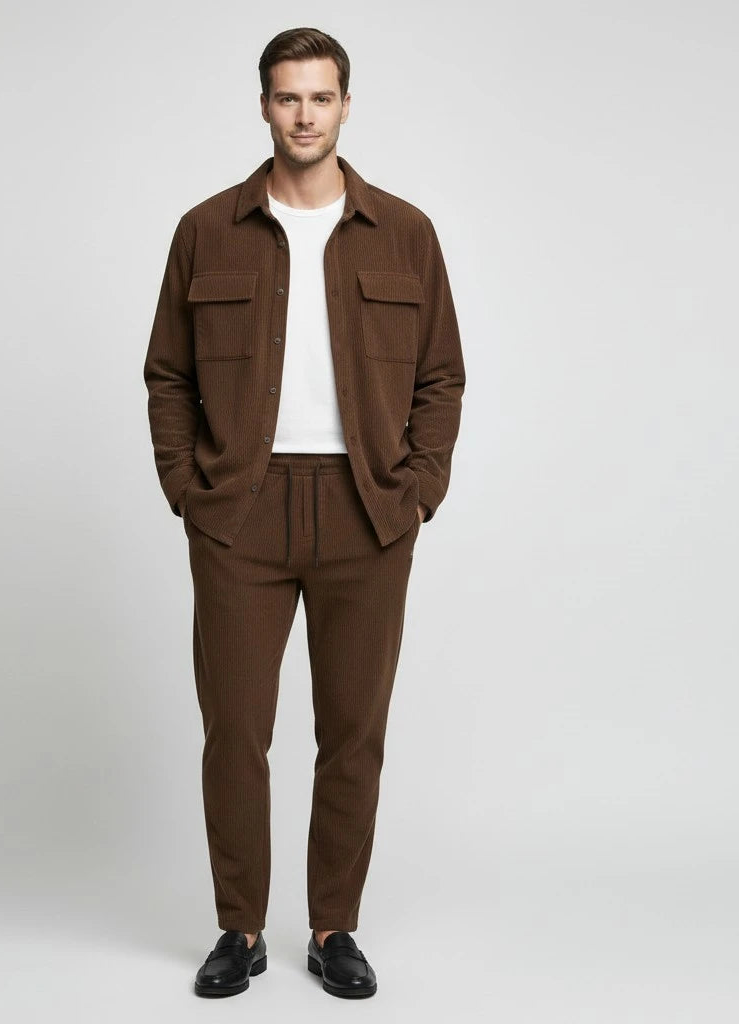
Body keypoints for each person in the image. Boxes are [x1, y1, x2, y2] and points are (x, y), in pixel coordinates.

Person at [143, 26, 466, 999]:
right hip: (240, 510)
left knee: (353, 732)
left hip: (367, 509)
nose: (304, 115)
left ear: (346, 106)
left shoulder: (405, 232)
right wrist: (188, 491)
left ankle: (333, 927)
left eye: (320, 97)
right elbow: (168, 374)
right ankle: (238, 927)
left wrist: (418, 491)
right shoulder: (206, 230)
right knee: (236, 730)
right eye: (287, 97)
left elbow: (442, 376)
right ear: (263, 106)